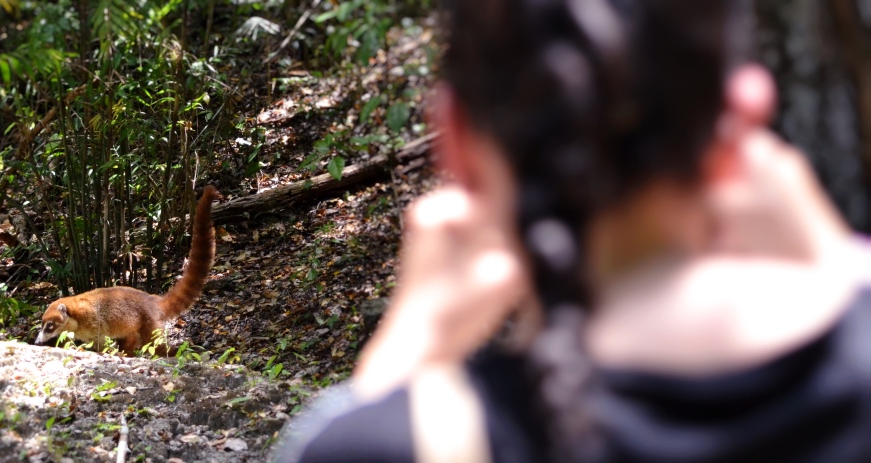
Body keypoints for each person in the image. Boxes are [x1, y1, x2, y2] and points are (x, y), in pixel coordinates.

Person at [274, 0, 871, 461]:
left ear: (454, 140)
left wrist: (408, 348)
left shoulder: (403, 443)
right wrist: (844, 260)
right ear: (743, 110)